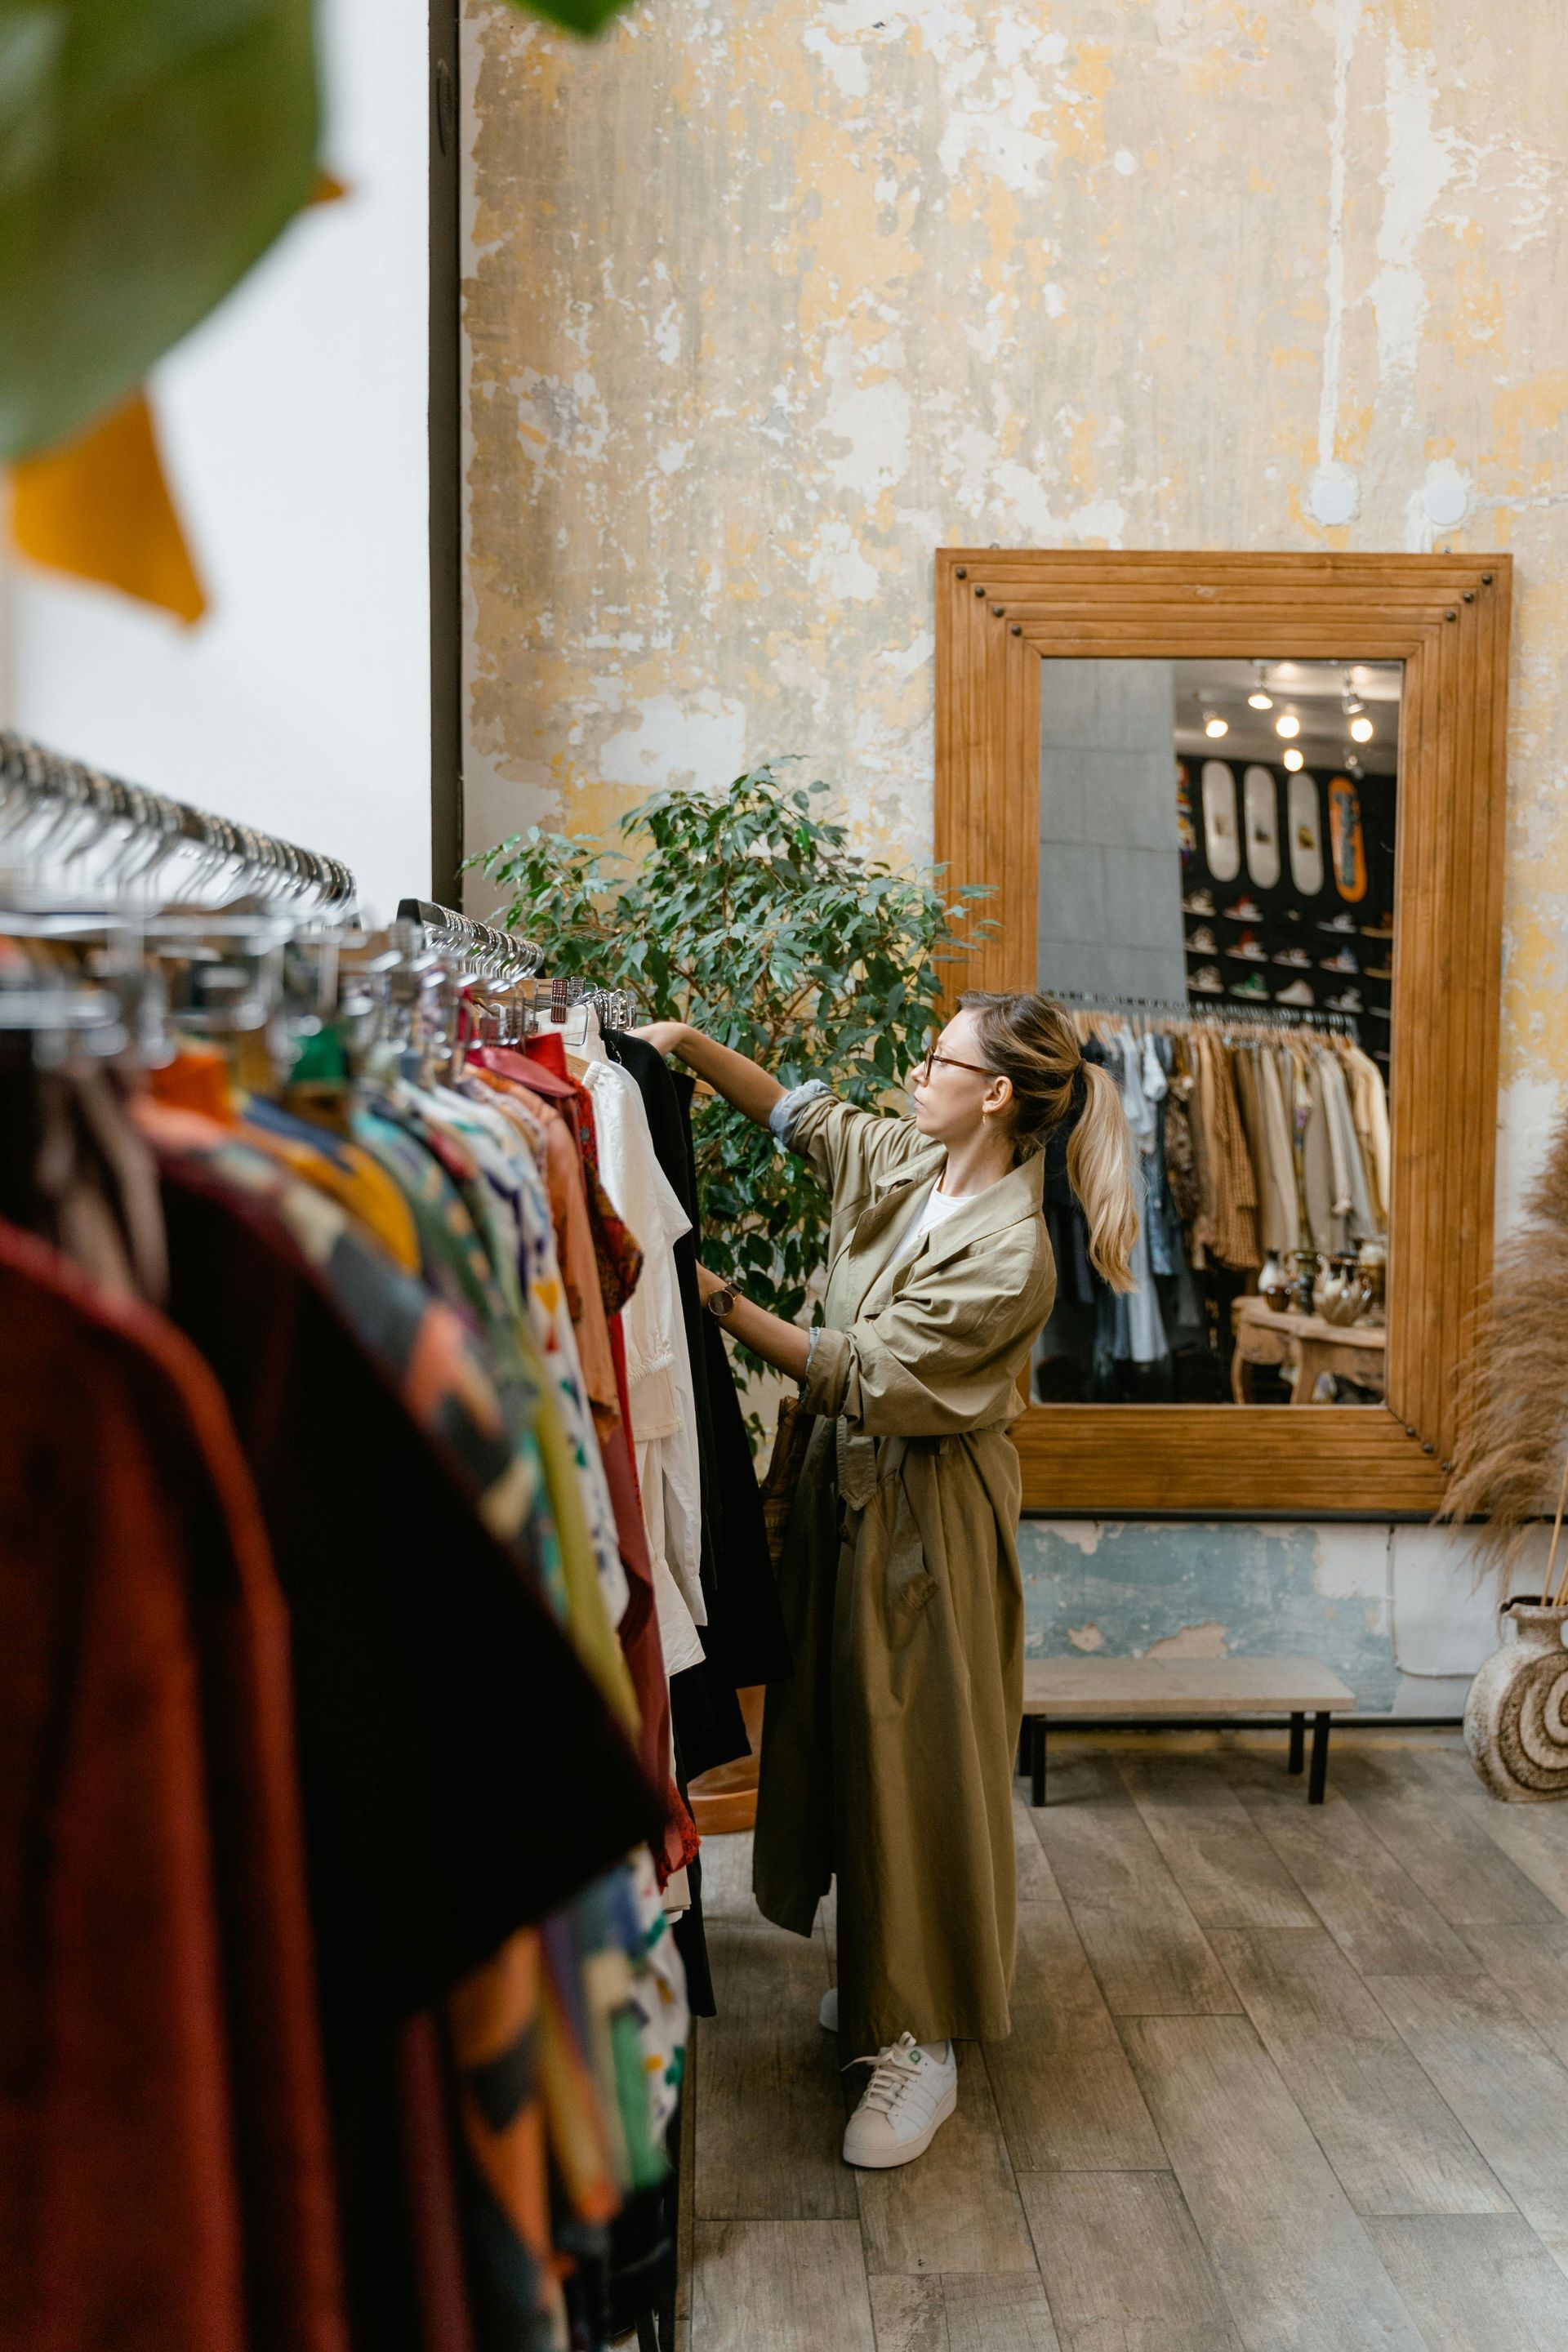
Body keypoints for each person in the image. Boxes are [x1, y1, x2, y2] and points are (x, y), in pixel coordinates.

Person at [633, 992, 1138, 2167]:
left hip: (931, 1524)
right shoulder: (919, 1160)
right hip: (843, 1493)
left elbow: (865, 1372)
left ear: (997, 1094)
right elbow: (810, 1122)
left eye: (937, 1059)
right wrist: (685, 1051)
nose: (917, 1073)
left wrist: (705, 1298)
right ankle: (882, 1979)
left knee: (921, 1765)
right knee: (854, 1737)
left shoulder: (1014, 1252)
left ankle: (929, 2034)